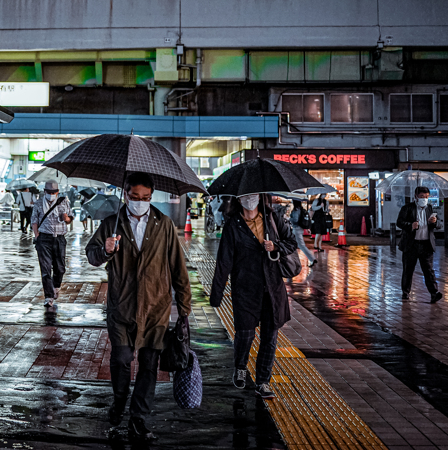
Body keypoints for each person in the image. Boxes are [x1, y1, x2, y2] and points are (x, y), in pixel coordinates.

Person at [85, 172, 192, 442]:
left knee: (149, 365)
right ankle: (120, 399)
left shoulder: (164, 225)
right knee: (121, 359)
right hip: (121, 305)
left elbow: (178, 267)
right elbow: (92, 255)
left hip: (156, 308)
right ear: (125, 193)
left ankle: (139, 418)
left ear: (151, 196)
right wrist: (106, 250)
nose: (140, 202)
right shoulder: (112, 223)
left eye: (145, 198)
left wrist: (184, 307)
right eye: (134, 197)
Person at [210, 192, 297, 401]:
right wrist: (217, 294)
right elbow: (224, 262)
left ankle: (263, 382)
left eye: (254, 194)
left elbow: (291, 242)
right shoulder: (233, 225)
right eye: (246, 195)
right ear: (239, 199)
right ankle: (240, 366)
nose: (250, 198)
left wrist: (276, 246)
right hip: (245, 289)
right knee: (245, 334)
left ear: (260, 197)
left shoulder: (272, 219)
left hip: (272, 288)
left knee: (269, 337)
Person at [396, 186, 443, 303]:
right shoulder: (407, 208)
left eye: (426, 197)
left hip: (426, 244)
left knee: (429, 270)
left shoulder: (430, 208)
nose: (424, 199)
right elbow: (399, 222)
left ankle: (434, 293)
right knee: (408, 270)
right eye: (422, 197)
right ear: (416, 197)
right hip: (411, 244)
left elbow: (439, 224)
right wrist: (410, 225)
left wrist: (435, 222)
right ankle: (405, 293)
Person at [32, 180, 72, 310]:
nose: (51, 194)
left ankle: (56, 286)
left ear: (58, 192)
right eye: (49, 192)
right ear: (44, 192)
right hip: (44, 239)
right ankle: (48, 297)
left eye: (54, 192)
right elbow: (34, 221)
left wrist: (66, 219)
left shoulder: (64, 202)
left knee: (60, 268)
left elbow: (70, 218)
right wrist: (37, 235)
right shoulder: (38, 203)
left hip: (60, 238)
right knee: (45, 269)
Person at [289, 199, 316, 267]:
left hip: (296, 229)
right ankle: (292, 260)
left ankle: (312, 259)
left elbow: (295, 220)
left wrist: (288, 218)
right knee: (293, 244)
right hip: (299, 228)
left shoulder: (296, 210)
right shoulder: (300, 209)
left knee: (301, 245)